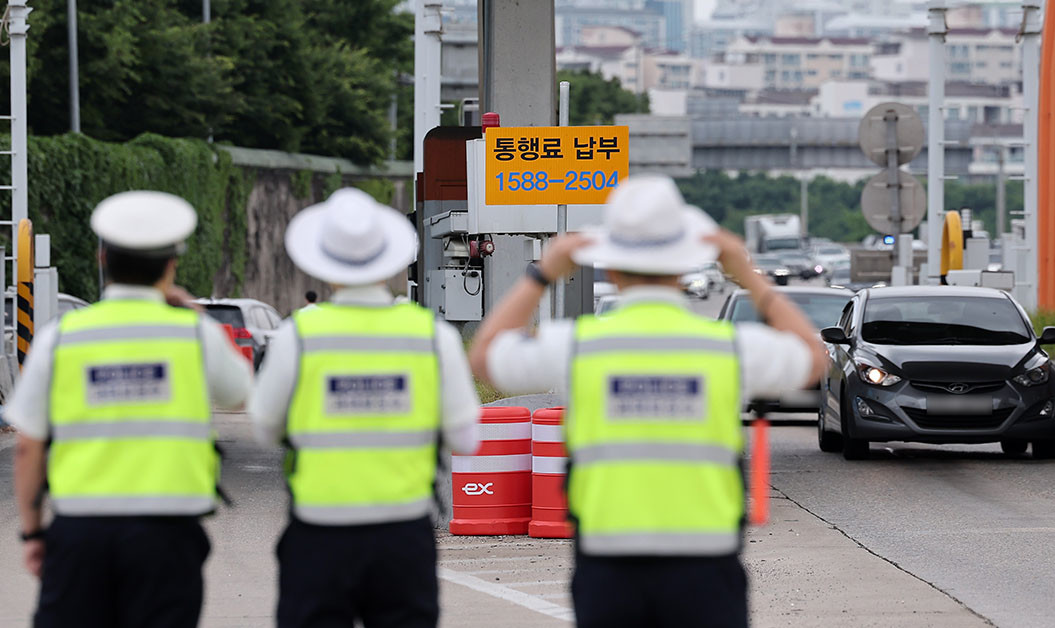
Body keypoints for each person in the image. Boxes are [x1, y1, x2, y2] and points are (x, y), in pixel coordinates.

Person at [468, 175, 825, 628]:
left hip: (609, 562)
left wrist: (543, 273)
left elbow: (483, 357)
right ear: (684, 266)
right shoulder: (728, 347)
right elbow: (815, 360)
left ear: (610, 268)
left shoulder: (579, 345)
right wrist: (749, 277)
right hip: (705, 563)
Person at [7, 190, 253, 628]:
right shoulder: (194, 335)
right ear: (172, 263)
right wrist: (195, 310)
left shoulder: (62, 338)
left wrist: (32, 531)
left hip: (81, 534)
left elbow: (29, 445)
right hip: (168, 537)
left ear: (102, 258)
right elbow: (240, 394)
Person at [249, 188, 480, 628]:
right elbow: (467, 436)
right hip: (403, 532)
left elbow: (263, 427)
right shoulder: (432, 336)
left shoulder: (298, 334)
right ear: (390, 262)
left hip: (319, 531)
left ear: (323, 264)